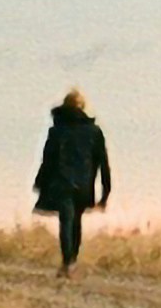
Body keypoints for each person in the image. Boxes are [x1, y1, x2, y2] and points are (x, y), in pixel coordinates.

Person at [31, 90, 111, 274]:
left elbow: (48, 159)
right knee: (76, 221)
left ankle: (68, 262)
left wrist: (40, 182)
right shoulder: (94, 131)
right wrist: (106, 192)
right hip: (84, 185)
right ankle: (72, 260)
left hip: (61, 183)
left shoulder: (57, 130)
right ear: (82, 107)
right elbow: (103, 163)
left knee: (65, 221)